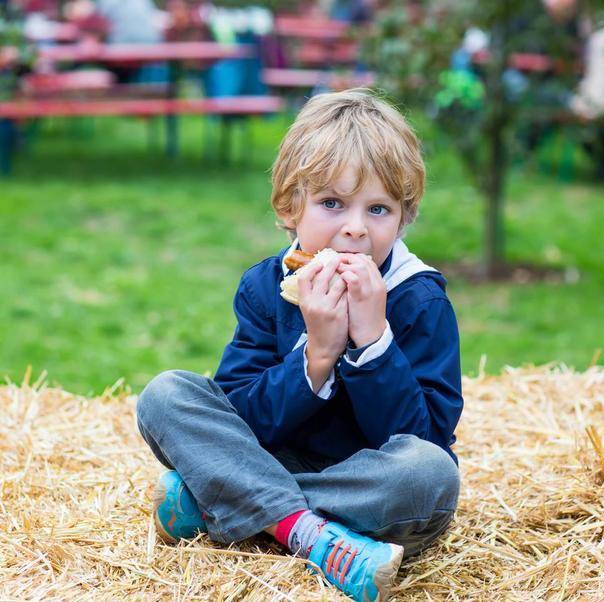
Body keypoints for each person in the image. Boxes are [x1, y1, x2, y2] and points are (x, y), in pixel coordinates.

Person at [136, 89, 463, 602]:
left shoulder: (419, 300)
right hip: (276, 456)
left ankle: (218, 506)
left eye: (378, 208)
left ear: (404, 216)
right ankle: (312, 536)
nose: (355, 227)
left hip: (371, 481)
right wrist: (316, 357)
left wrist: (373, 341)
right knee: (165, 394)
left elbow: (425, 437)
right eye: (332, 203)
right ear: (291, 207)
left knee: (430, 477)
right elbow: (238, 415)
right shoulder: (266, 287)